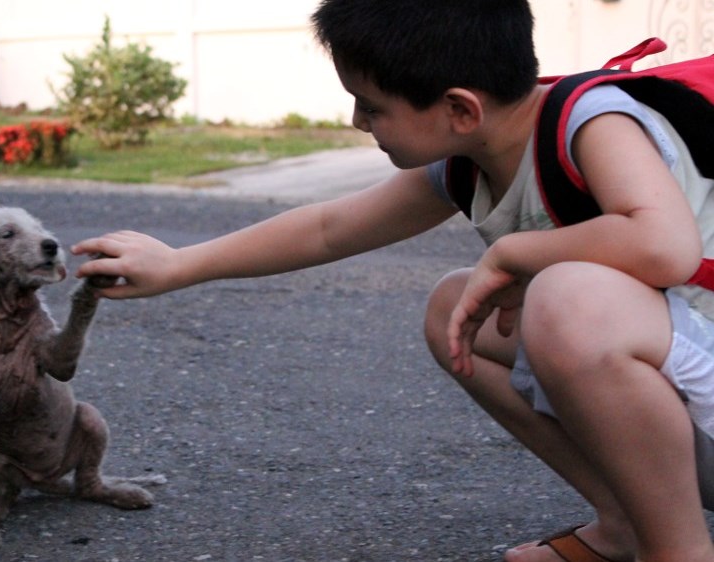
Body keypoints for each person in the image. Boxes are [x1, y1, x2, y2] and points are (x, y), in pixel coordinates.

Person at [72, 1, 714, 560]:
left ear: (461, 108)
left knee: (566, 300)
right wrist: (181, 264)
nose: (358, 121)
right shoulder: (470, 157)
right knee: (452, 308)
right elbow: (331, 226)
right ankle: (629, 520)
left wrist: (517, 253)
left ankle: (677, 547)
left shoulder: (592, 122)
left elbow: (666, 247)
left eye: (372, 106)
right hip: (682, 397)